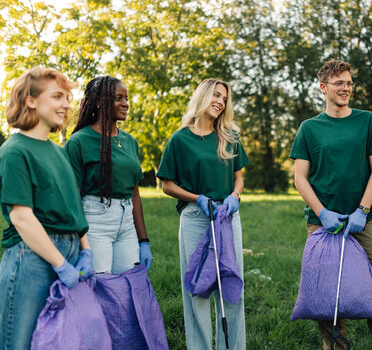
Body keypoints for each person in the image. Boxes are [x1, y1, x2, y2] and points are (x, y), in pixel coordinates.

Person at [290, 59, 372, 350]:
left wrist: (362, 211)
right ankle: (335, 347)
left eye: (349, 82)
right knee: (328, 296)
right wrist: (322, 212)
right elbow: (300, 178)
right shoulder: (309, 128)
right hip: (322, 224)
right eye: (339, 82)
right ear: (323, 87)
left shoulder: (367, 121)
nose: (346, 87)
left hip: (361, 221)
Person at [0, 67, 92, 349]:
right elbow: (21, 217)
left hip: (70, 253)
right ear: (30, 100)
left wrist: (86, 250)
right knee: (21, 341)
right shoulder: (15, 150)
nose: (66, 104)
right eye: (57, 96)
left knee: (60, 340)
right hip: (33, 258)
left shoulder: (58, 152)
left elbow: (75, 209)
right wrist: (60, 264)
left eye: (67, 97)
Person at [157, 78, 249, 350]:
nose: (220, 102)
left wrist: (234, 196)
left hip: (227, 218)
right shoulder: (180, 139)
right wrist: (197, 198)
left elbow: (238, 178)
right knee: (197, 291)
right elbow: (167, 185)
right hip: (196, 219)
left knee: (231, 288)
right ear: (203, 96)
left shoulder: (229, 136)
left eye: (224, 98)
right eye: (216, 96)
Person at [64, 76, 152, 274]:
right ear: (98, 101)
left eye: (126, 98)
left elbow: (135, 194)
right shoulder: (79, 142)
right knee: (99, 287)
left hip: (127, 223)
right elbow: (73, 198)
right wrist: (80, 241)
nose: (125, 104)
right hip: (95, 222)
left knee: (127, 286)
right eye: (118, 98)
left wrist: (143, 241)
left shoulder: (130, 142)